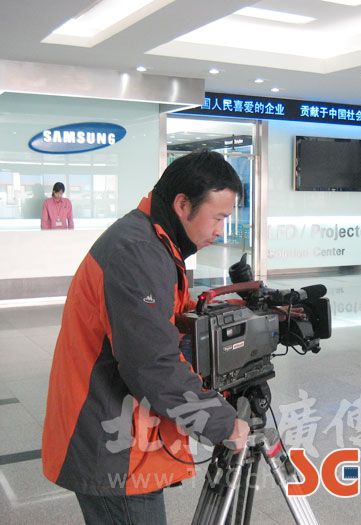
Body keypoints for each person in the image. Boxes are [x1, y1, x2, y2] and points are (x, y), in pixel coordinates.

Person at [42, 151, 249, 524]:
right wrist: (222, 423)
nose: (221, 231)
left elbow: (161, 319)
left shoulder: (153, 240)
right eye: (218, 217)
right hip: (110, 442)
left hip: (122, 430)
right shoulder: (136, 252)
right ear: (182, 205)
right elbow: (152, 363)